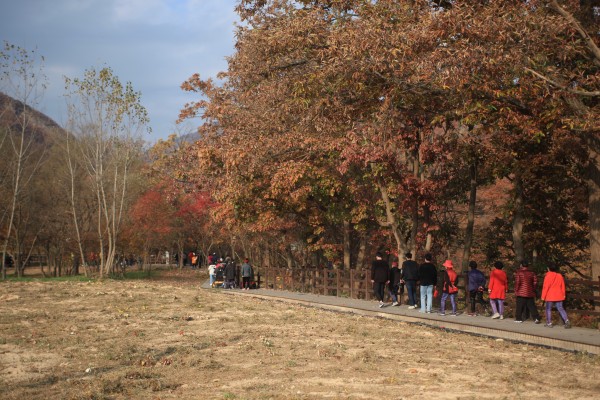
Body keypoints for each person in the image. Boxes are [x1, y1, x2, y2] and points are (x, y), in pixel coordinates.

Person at [541, 264, 571, 328]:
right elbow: (563, 286)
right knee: (561, 308)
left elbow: (546, 287)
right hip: (559, 295)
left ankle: (549, 323)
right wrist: (563, 295)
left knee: (548, 309)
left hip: (550, 296)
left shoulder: (548, 276)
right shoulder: (559, 276)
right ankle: (566, 320)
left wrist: (543, 296)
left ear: (548, 269)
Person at [514, 259, 541, 324]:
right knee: (532, 306)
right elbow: (535, 282)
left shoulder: (519, 273)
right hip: (530, 292)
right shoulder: (532, 273)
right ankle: (536, 318)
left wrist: (516, 290)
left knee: (519, 306)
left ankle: (519, 318)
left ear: (521, 265)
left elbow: (517, 283)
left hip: (521, 292)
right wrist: (533, 289)